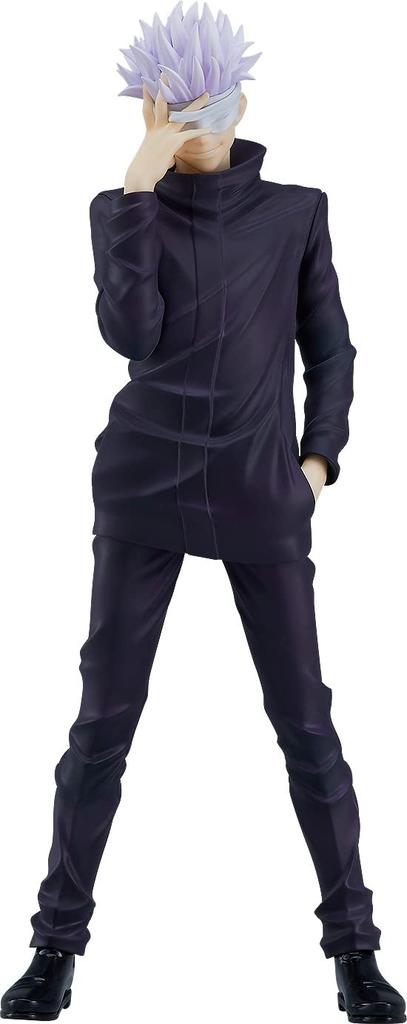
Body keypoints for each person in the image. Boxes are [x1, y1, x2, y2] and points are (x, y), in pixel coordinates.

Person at [1, 4, 405, 1021]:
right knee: (101, 724)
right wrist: (136, 185)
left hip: (261, 491)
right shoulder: (123, 206)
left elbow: (331, 347)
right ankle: (54, 949)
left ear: (240, 104)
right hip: (142, 483)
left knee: (304, 723)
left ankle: (354, 953)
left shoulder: (295, 212)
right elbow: (130, 333)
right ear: (151, 114)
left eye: (210, 107)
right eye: (174, 112)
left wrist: (317, 462)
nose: (197, 129)